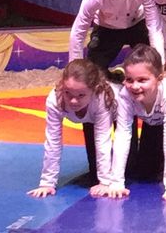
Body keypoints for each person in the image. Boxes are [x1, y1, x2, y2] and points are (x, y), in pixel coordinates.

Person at [27, 59, 117, 199]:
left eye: (81, 95)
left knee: (129, 168)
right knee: (94, 171)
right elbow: (53, 141)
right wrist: (47, 183)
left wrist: (105, 182)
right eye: (68, 93)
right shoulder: (55, 100)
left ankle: (118, 76)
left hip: (121, 112)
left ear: (94, 90)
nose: (73, 101)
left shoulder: (101, 99)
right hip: (90, 115)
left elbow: (103, 139)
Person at [106, 45, 166, 199]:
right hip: (154, 124)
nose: (135, 86)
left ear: (159, 79)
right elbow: (122, 134)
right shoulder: (125, 95)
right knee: (145, 172)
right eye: (129, 80)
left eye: (142, 80)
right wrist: (116, 182)